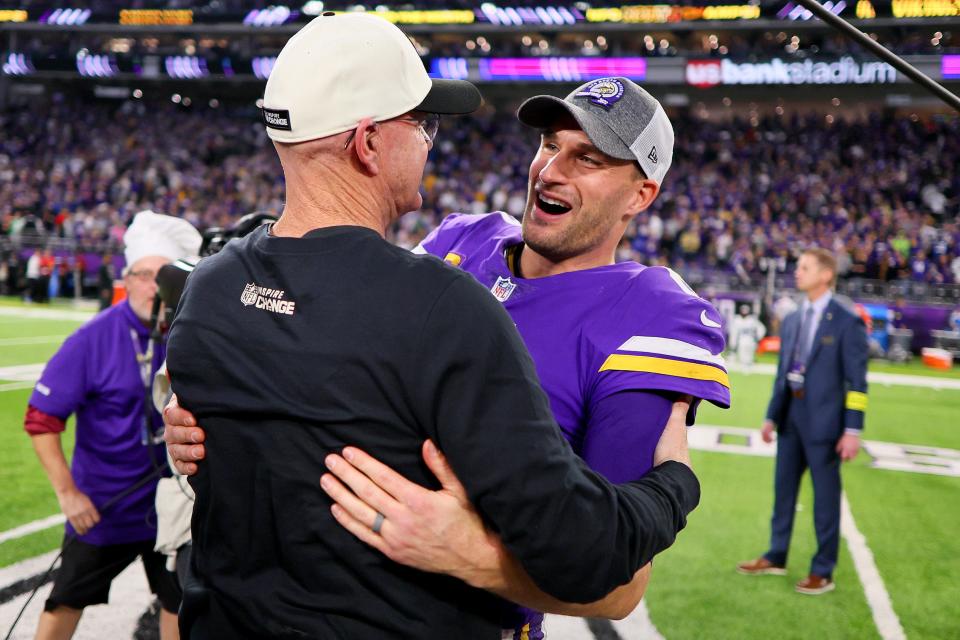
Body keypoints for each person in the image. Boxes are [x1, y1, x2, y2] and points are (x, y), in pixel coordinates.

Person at [164, 15, 702, 640]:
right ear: (368, 143)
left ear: (641, 195)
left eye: (587, 158)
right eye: (550, 144)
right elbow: (585, 546)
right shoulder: (451, 272)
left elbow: (617, 588)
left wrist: (470, 556)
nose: (550, 170)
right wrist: (676, 485)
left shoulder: (212, 283)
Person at [24, 211, 201, 640]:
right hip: (103, 507)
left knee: (180, 604)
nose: (150, 286)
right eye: (141, 275)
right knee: (65, 598)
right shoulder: (92, 338)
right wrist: (68, 495)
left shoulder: (189, 337)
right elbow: (41, 418)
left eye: (161, 275)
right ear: (126, 278)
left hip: (170, 505)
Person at [737, 248, 868, 595]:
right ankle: (776, 554)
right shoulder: (793, 318)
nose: (797, 272)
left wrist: (853, 430)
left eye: (805, 267)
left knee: (825, 500)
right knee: (783, 493)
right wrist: (770, 416)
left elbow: (858, 381)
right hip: (790, 420)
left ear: (826, 275)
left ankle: (822, 569)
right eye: (798, 266)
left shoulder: (846, 320)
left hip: (826, 424)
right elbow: (784, 374)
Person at [729, 303, 766, 369]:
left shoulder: (752, 320)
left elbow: (761, 328)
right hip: (741, 340)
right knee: (742, 357)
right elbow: (733, 333)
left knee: (750, 357)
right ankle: (744, 370)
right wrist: (733, 344)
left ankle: (749, 368)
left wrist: (758, 337)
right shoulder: (737, 319)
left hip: (751, 340)